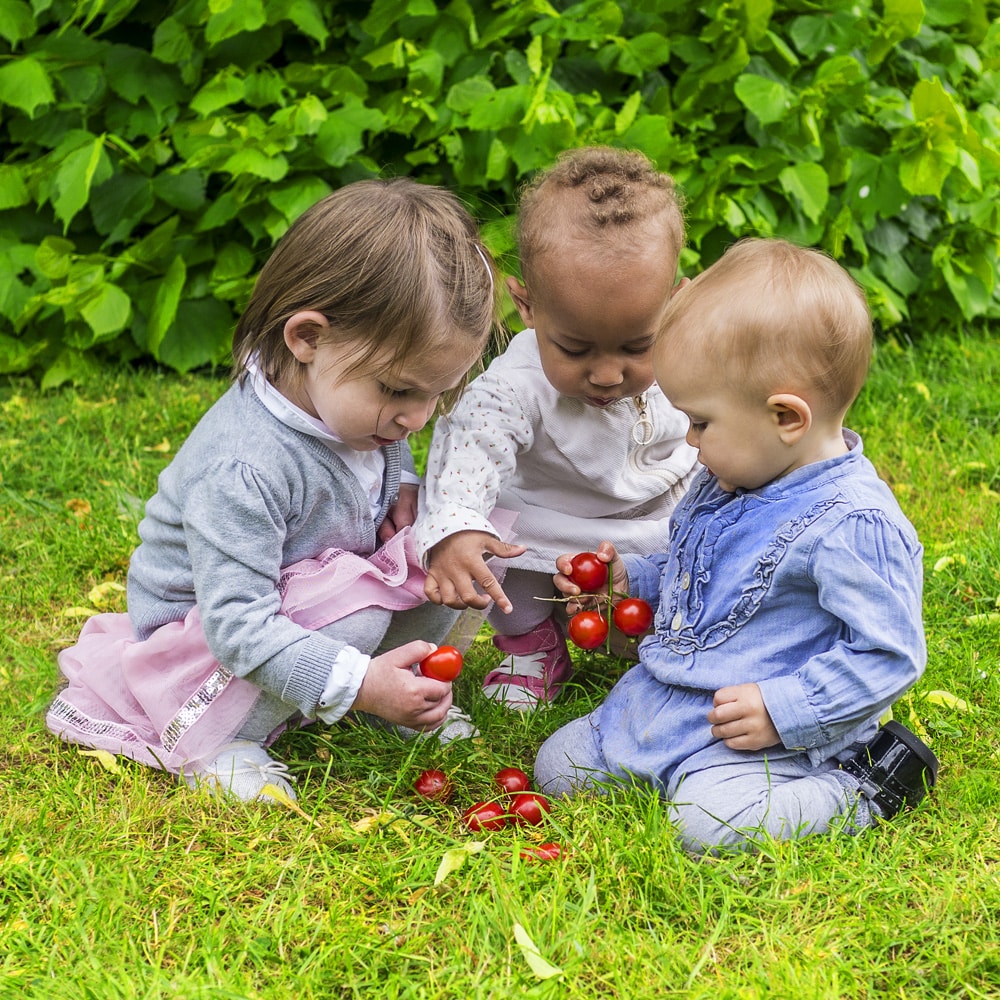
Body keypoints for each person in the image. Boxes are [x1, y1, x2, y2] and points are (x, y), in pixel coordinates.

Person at [46, 178, 499, 802]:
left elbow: (382, 462)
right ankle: (224, 741)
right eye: (399, 391)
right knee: (360, 621)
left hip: (309, 588)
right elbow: (237, 626)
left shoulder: (350, 406)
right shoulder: (244, 468)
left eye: (437, 393)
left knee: (449, 550)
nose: (417, 419)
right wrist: (356, 679)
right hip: (209, 643)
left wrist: (407, 489)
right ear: (307, 338)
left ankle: (395, 687)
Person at [534, 237, 939, 853]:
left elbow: (889, 653)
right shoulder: (732, 476)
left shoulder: (852, 523)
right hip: (670, 703)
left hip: (760, 735)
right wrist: (633, 582)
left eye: (701, 422)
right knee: (558, 768)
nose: (690, 441)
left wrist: (784, 709)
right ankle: (668, 763)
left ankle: (863, 789)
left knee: (707, 825)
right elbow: (702, 573)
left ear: (786, 418)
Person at [413, 147, 700, 710]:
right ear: (527, 306)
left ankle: (658, 633)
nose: (608, 374)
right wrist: (457, 526)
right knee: (498, 547)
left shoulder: (690, 360)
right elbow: (468, 457)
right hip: (546, 529)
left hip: (652, 524)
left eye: (637, 346)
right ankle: (529, 643)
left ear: (675, 304)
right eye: (575, 348)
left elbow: (721, 427)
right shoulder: (513, 388)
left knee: (700, 557)